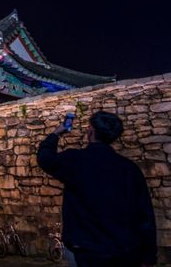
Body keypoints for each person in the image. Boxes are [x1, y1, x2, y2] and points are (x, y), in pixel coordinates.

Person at [37, 110, 157, 267]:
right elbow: (145, 215)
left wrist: (57, 133)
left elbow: (45, 158)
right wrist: (149, 257)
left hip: (86, 250)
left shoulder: (75, 161)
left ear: (91, 131)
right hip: (125, 250)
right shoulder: (130, 169)